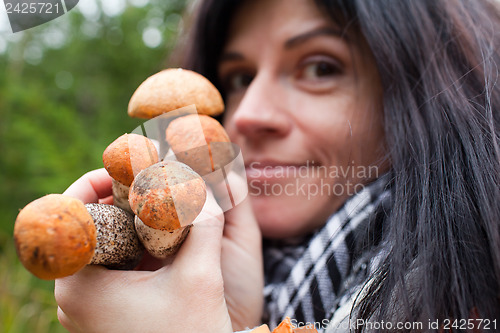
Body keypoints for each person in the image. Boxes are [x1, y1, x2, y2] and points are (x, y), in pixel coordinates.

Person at [55, 0, 500, 332]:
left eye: (321, 67)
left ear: (426, 96)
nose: (247, 113)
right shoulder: (213, 276)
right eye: (240, 79)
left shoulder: (470, 297)